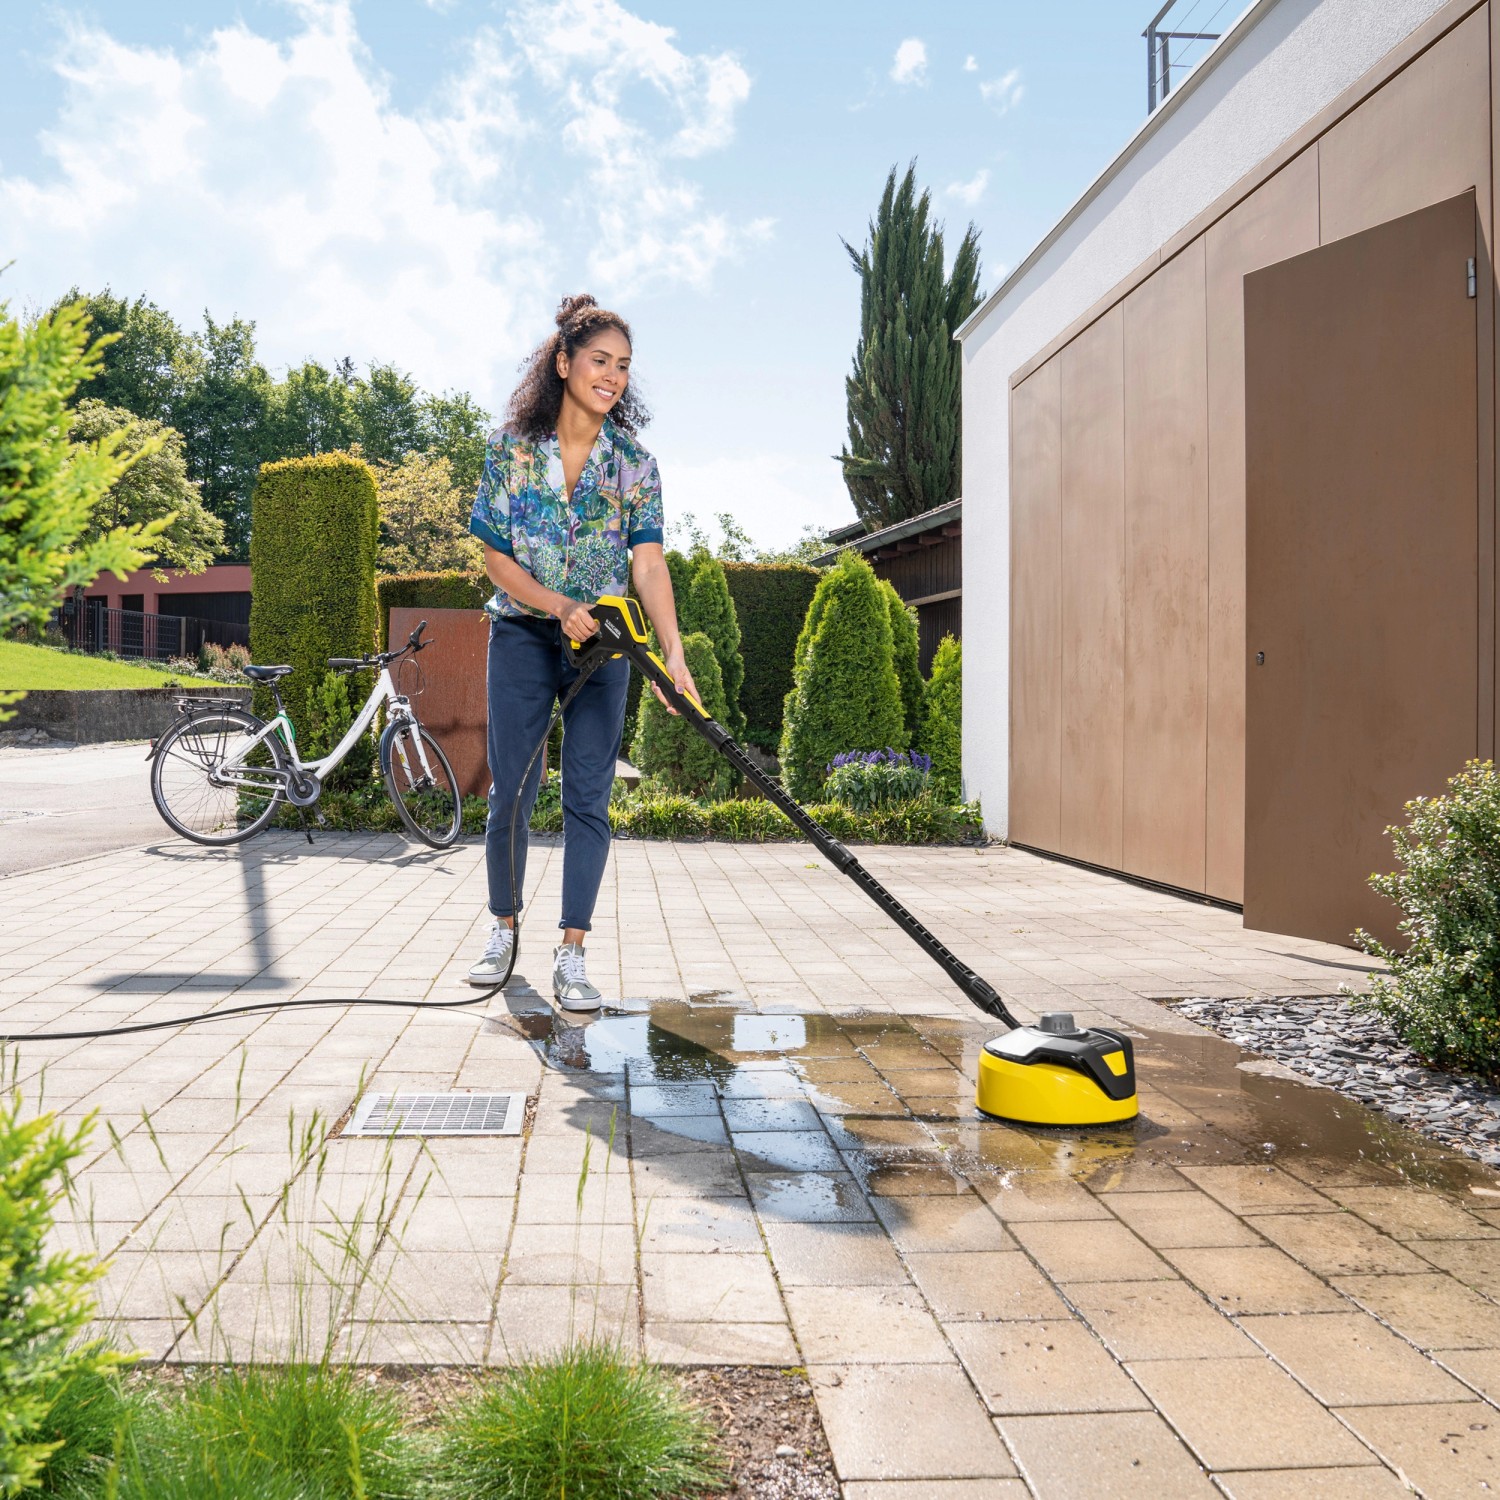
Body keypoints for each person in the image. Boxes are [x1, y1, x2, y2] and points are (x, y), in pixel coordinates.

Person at [466, 293, 695, 1010]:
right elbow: (496, 562)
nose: (614, 376)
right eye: (601, 361)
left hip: (605, 645)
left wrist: (674, 653)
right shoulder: (509, 453)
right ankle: (503, 928)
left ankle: (573, 951)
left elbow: (649, 565)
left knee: (588, 795)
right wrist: (557, 605)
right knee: (514, 788)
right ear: (563, 364)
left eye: (624, 366)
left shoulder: (635, 466)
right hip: (524, 636)